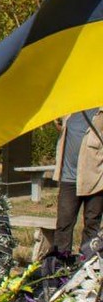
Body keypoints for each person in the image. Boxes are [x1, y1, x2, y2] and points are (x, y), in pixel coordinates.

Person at [52, 107, 103, 256]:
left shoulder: (100, 113)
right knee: (64, 223)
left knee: (92, 223)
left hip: (96, 178)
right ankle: (61, 262)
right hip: (69, 178)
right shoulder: (69, 110)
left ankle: (87, 261)